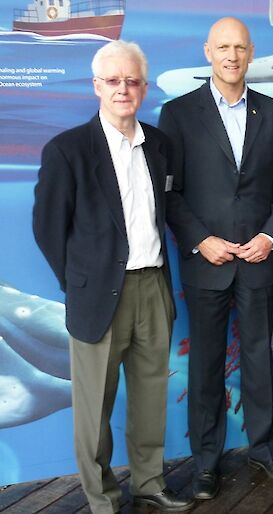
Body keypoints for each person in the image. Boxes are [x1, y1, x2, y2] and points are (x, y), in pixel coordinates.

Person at [32, 41, 194, 514]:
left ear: (143, 87)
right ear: (97, 86)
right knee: (93, 407)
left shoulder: (160, 146)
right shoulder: (67, 150)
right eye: (114, 81)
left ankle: (149, 482)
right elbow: (48, 228)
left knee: (150, 398)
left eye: (132, 81)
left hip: (153, 287)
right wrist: (78, 282)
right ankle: (101, 499)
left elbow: (170, 209)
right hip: (98, 294)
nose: (124, 89)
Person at [158, 17, 273, 500]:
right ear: (208, 52)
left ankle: (263, 449)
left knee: (260, 359)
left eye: (240, 47)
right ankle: (205, 462)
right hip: (207, 262)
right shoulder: (177, 115)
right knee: (206, 364)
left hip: (259, 258)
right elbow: (170, 193)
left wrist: (270, 237)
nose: (232, 55)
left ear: (252, 52)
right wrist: (201, 240)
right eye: (223, 47)